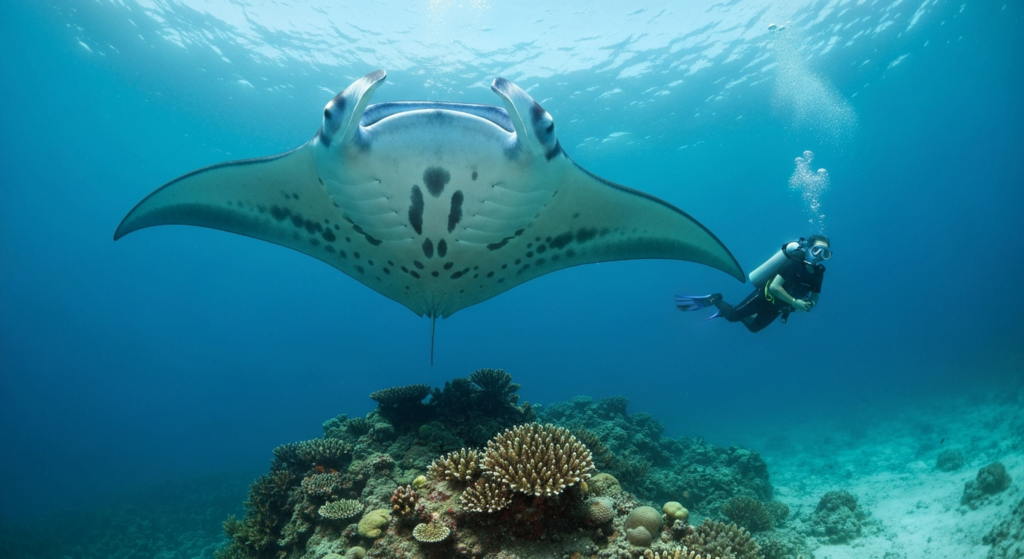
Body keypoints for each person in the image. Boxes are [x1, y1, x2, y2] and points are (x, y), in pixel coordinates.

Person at [676, 235, 831, 332]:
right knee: (733, 317)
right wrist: (795, 302)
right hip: (764, 297)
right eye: (817, 250)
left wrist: (809, 304)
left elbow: (815, 296)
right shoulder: (794, 263)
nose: (820, 256)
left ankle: (738, 310)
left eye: (825, 253)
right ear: (809, 248)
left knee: (754, 328)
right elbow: (774, 287)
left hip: (780, 307)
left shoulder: (818, 274)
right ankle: (713, 299)